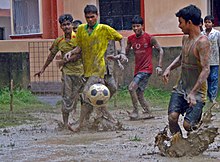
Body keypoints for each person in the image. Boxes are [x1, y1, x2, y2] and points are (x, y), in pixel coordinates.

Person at [64, 5, 127, 132]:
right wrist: (71, 52)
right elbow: (79, 47)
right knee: (90, 95)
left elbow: (121, 39)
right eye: (88, 17)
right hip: (89, 69)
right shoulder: (81, 29)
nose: (90, 20)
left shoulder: (104, 29)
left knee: (106, 90)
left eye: (92, 17)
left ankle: (88, 120)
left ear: (97, 16)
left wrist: (123, 53)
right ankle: (90, 121)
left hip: (100, 68)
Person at [162, 5, 210, 135]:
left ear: (189, 22)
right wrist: (169, 68)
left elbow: (206, 70)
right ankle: (178, 145)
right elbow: (182, 57)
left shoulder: (202, 42)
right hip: (181, 87)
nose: (179, 26)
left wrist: (193, 93)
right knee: (172, 117)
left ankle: (199, 133)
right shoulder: (185, 38)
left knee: (188, 126)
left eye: (181, 22)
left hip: (198, 91)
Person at [34, 14, 84, 129]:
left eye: (68, 24)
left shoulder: (79, 38)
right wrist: (43, 69)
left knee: (83, 97)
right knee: (66, 98)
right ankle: (66, 123)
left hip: (81, 72)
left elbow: (82, 54)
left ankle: (82, 121)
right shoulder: (59, 41)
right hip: (67, 74)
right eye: (64, 25)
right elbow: (51, 55)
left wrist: (64, 61)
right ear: (61, 26)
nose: (66, 27)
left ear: (72, 25)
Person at [109, 15, 164, 119]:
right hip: (138, 69)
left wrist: (160, 66)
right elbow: (125, 52)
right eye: (133, 26)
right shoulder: (131, 39)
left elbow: (160, 50)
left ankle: (135, 111)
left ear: (142, 26)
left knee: (131, 88)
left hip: (146, 69)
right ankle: (148, 112)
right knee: (139, 93)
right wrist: (118, 57)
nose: (135, 29)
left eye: (138, 26)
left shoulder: (149, 38)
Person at [201, 15, 220, 103]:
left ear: (212, 24)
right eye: (206, 22)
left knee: (214, 78)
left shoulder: (217, 33)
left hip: (215, 60)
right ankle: (207, 96)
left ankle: (213, 97)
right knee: (206, 78)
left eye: (209, 22)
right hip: (204, 61)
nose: (207, 24)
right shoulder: (202, 34)